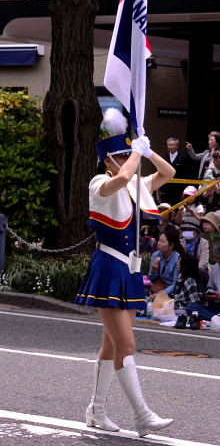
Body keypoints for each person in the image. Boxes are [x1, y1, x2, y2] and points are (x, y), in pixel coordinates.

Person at [75, 108, 174, 437]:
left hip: (129, 269)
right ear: (108, 160)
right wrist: (134, 151)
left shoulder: (136, 185)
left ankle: (96, 410)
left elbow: (169, 171)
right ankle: (141, 415)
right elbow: (120, 179)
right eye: (120, 155)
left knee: (111, 346)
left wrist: (148, 150)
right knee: (126, 345)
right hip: (109, 266)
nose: (129, 161)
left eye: (128, 155)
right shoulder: (100, 182)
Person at [185, 239, 220, 324]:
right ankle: (214, 319)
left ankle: (214, 319)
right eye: (216, 258)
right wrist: (209, 294)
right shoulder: (216, 267)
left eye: (219, 258)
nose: (218, 261)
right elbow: (210, 287)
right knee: (191, 307)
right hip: (217, 306)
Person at [148, 227, 183, 296]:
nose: (158, 243)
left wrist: (161, 294)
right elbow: (151, 280)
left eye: (162, 241)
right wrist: (153, 271)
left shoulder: (177, 259)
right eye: (159, 240)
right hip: (157, 287)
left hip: (171, 292)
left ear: (171, 246)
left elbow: (175, 284)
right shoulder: (156, 255)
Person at [173, 254, 203, 329]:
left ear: (184, 266)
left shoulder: (190, 281)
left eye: (179, 262)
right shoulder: (181, 277)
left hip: (187, 308)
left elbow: (193, 301)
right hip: (184, 306)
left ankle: (187, 318)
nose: (177, 263)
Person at [179, 216, 209, 292]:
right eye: (185, 229)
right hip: (182, 272)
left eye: (190, 229)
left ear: (196, 231)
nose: (187, 231)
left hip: (198, 273)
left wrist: (190, 273)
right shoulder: (180, 242)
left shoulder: (203, 243)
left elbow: (204, 262)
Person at [160, 138, 187, 205]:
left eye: (173, 145)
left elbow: (184, 172)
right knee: (165, 206)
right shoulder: (164, 157)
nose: (171, 147)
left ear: (177, 146)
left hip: (177, 187)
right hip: (166, 187)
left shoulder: (182, 158)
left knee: (176, 206)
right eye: (169, 145)